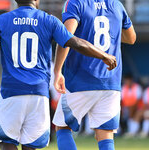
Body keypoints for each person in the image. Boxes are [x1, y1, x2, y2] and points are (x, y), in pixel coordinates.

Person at [0, 0, 117, 150]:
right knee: (30, 145)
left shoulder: (1, 21)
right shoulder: (49, 20)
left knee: (7, 142)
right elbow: (76, 42)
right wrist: (103, 55)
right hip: (39, 95)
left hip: (11, 93)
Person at [52, 0, 136, 150]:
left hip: (81, 78)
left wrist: (57, 71)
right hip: (111, 81)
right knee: (105, 135)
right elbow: (131, 38)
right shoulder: (117, 5)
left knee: (62, 127)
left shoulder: (75, 3)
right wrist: (112, 33)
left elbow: (66, 37)